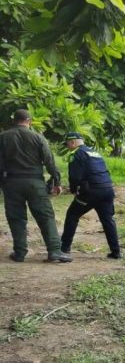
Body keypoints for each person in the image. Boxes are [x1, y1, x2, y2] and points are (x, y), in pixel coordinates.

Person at [0, 109, 71, 262]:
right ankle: (54, 251)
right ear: (29, 121)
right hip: (35, 183)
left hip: (11, 183)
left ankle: (19, 253)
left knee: (16, 218)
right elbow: (49, 161)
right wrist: (56, 181)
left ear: (14, 120)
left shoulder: (3, 137)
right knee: (45, 216)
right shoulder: (38, 137)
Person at [60, 133, 121, 259]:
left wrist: (73, 190)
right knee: (108, 220)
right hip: (107, 190)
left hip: (91, 192)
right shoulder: (95, 153)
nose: (67, 146)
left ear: (73, 143)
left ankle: (64, 248)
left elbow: (74, 177)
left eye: (67, 144)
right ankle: (116, 252)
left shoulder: (76, 154)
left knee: (72, 215)